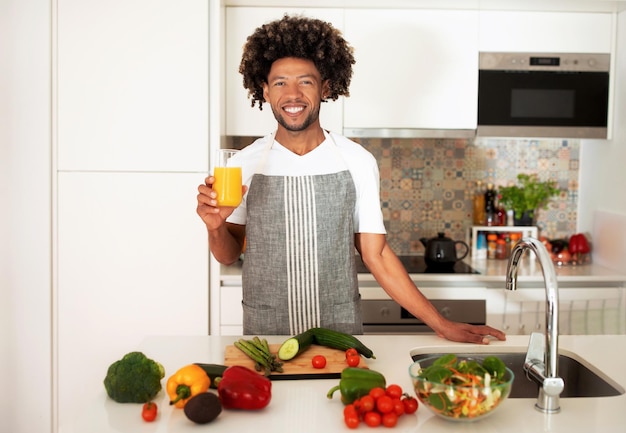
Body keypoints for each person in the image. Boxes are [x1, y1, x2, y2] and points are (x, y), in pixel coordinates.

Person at [196, 14, 506, 344]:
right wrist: (215, 227)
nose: (293, 94)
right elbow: (228, 254)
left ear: (325, 87)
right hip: (266, 338)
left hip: (339, 338)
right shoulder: (243, 164)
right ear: (265, 91)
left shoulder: (356, 161)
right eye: (280, 82)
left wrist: (440, 323)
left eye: (305, 81)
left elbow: (378, 256)